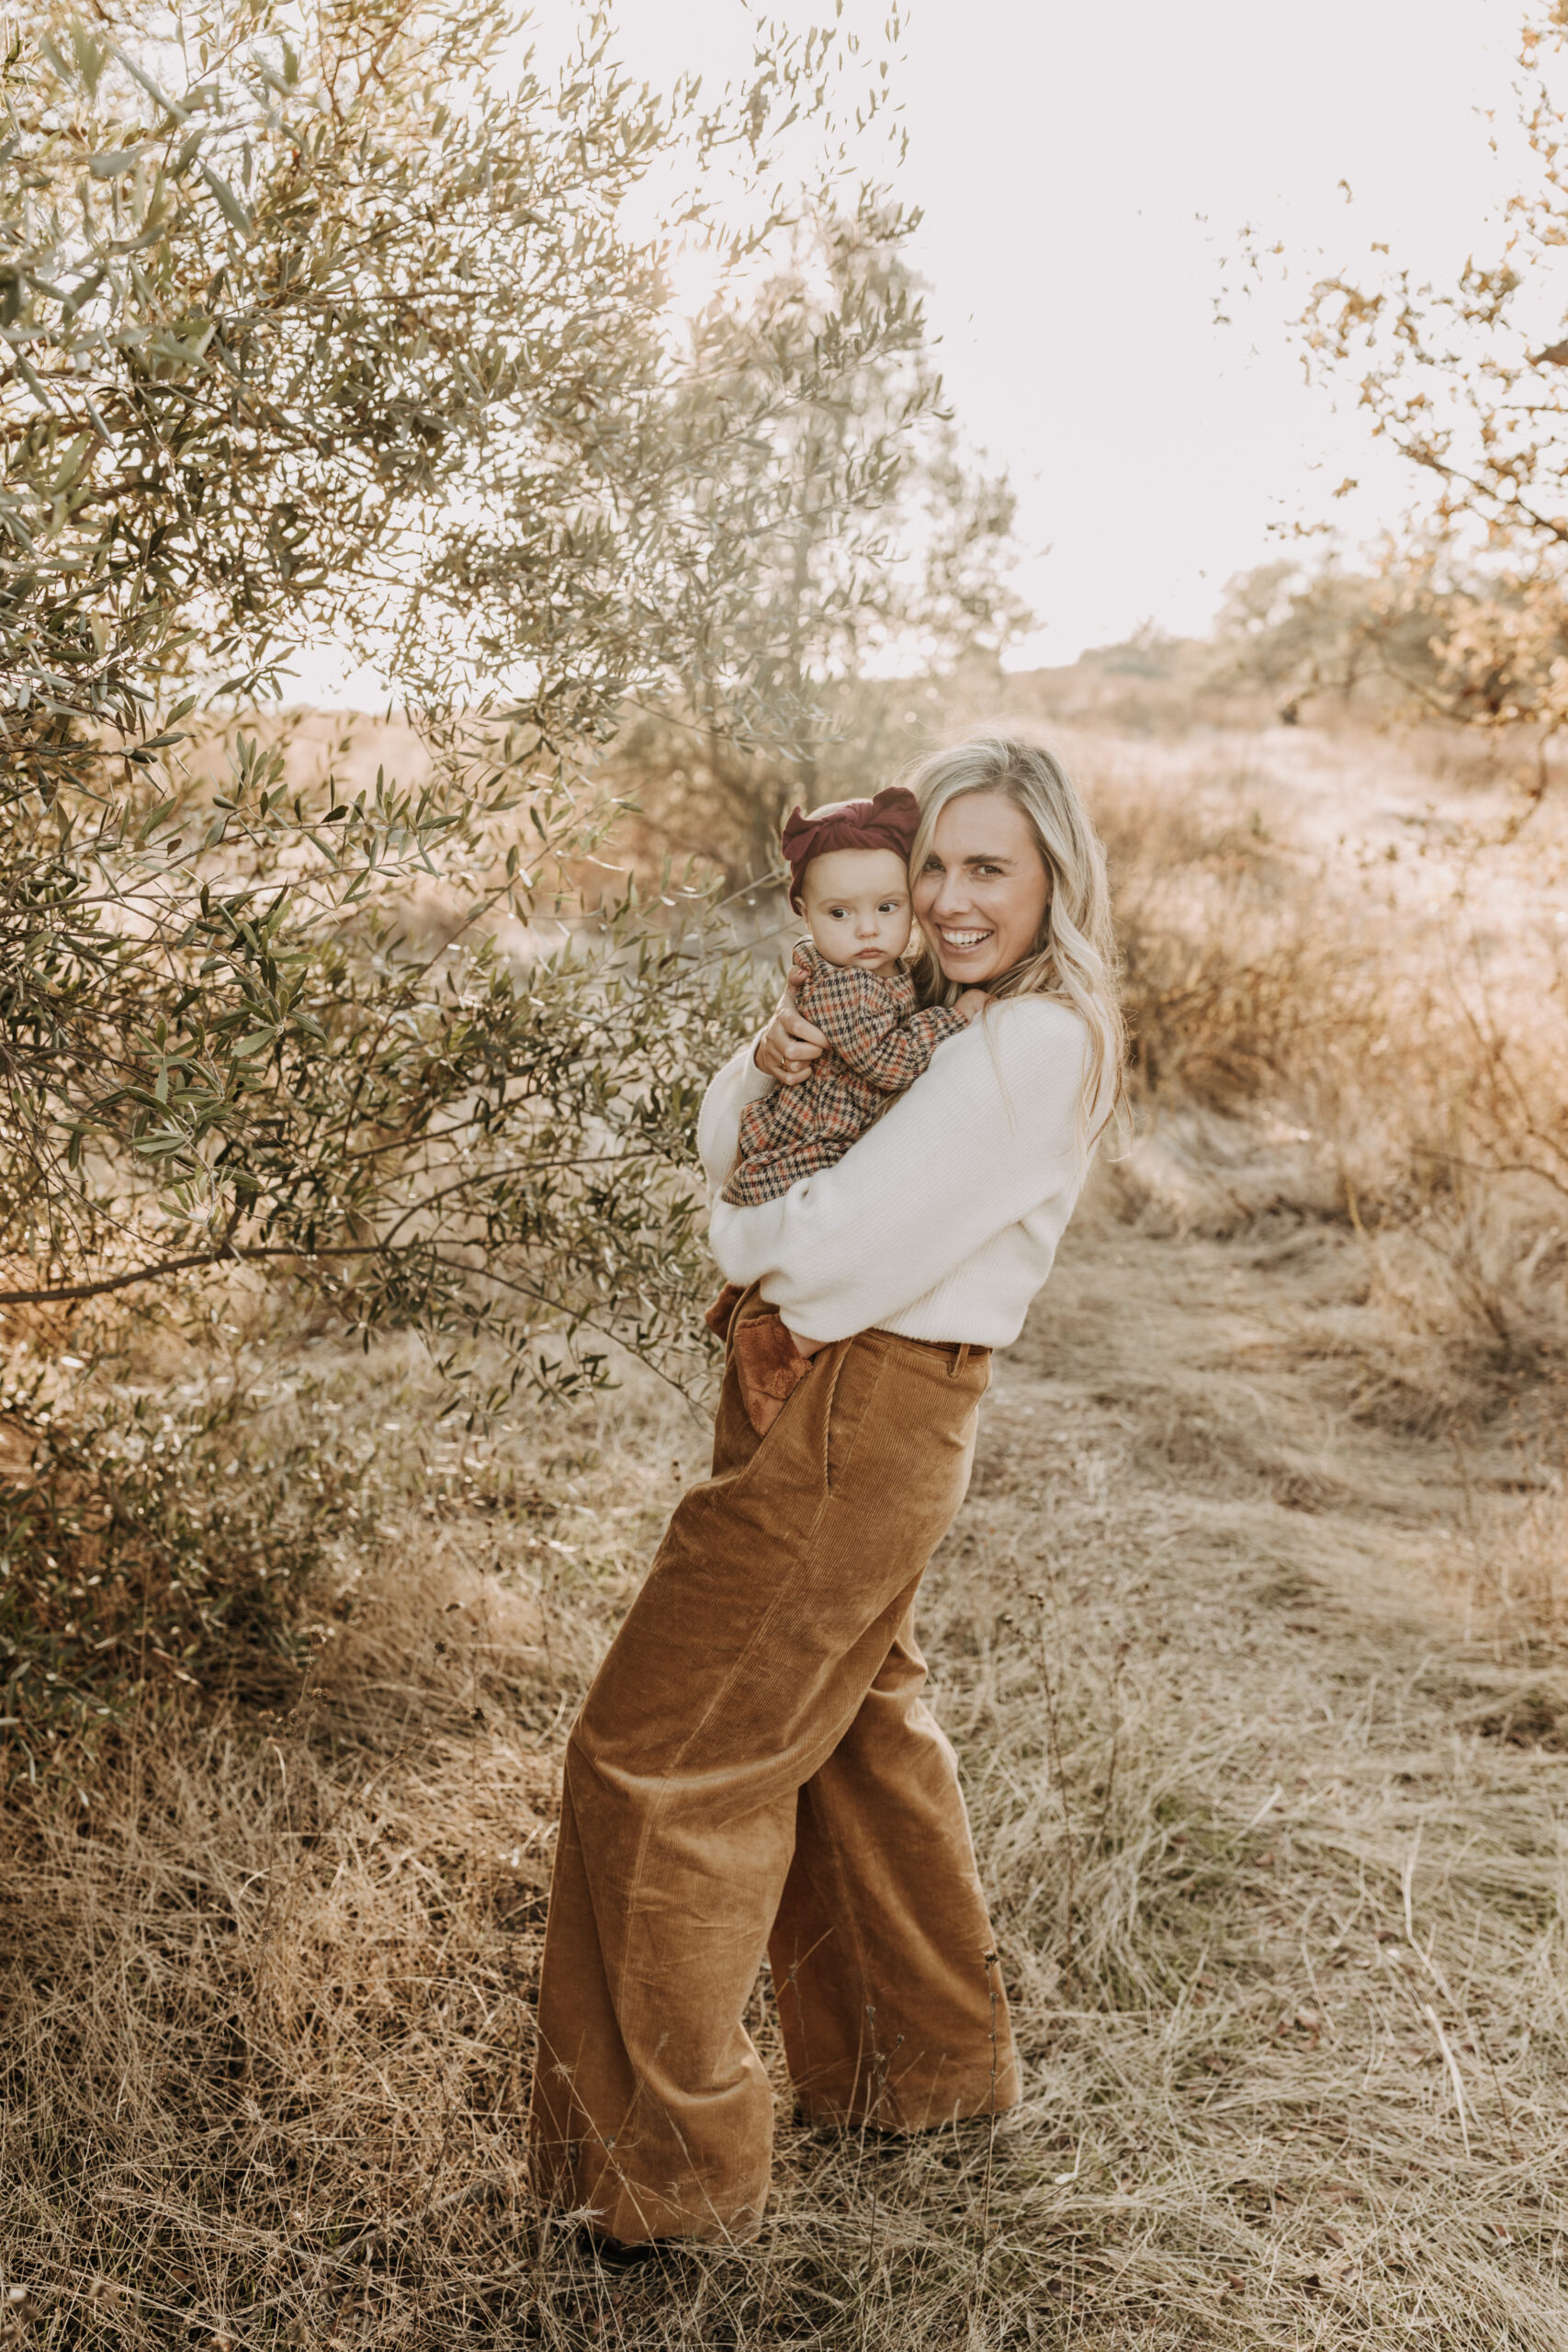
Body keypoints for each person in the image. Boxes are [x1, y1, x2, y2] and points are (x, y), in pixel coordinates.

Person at [529, 731, 1125, 2251]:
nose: (948, 900)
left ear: (1056, 871)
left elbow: (813, 1248)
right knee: (856, 1729)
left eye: (988, 867)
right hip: (833, 1392)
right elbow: (730, 1139)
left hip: (867, 1402)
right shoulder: (924, 1017)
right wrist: (765, 1065)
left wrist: (757, 1250)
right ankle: (917, 2073)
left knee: (656, 1759)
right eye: (931, 868)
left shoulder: (1031, 1041)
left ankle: (658, 2186)